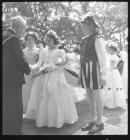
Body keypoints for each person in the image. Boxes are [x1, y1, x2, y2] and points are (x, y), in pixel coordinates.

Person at [25, 30, 78, 128]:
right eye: (46, 41)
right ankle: (44, 119)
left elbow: (65, 63)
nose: (47, 43)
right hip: (43, 77)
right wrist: (30, 66)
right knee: (43, 98)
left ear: (54, 40)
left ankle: (57, 120)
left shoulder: (60, 51)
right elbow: (39, 64)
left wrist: (55, 67)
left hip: (56, 77)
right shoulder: (43, 51)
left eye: (49, 41)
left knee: (55, 97)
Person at [79, 16, 109, 134]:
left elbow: (103, 59)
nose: (83, 28)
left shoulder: (98, 39)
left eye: (84, 25)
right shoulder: (84, 39)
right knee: (89, 97)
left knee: (97, 97)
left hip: (95, 71)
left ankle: (99, 122)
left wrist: (104, 76)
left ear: (91, 25)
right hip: (86, 71)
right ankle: (92, 119)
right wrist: (80, 75)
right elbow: (82, 58)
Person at [2, 16, 30, 135]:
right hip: (13, 79)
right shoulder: (14, 38)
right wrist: (28, 70)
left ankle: (7, 128)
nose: (23, 32)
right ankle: (15, 130)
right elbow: (20, 59)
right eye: (23, 29)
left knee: (7, 104)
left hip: (5, 77)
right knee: (16, 105)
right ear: (18, 27)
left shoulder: (4, 36)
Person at [102, 43, 127, 109]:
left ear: (113, 50)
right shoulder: (109, 56)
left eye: (110, 49)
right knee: (108, 86)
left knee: (113, 85)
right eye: (108, 49)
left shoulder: (114, 57)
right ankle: (108, 102)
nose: (109, 50)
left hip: (112, 72)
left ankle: (114, 102)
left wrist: (106, 71)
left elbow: (112, 66)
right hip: (110, 72)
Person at [22, 32, 40, 113]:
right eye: (28, 39)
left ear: (34, 41)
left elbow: (41, 63)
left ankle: (34, 110)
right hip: (26, 74)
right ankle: (26, 109)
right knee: (26, 91)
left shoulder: (38, 51)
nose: (30, 41)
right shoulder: (22, 51)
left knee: (35, 91)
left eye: (32, 39)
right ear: (25, 41)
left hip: (35, 74)